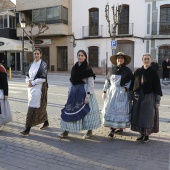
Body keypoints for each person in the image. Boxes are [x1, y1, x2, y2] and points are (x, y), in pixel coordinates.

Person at [58, 50, 101, 139]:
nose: (80, 57)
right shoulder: (74, 68)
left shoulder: (88, 69)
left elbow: (91, 83)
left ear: (85, 57)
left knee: (88, 112)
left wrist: (88, 96)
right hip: (74, 92)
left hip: (84, 91)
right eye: (79, 55)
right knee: (70, 110)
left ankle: (89, 131)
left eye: (82, 55)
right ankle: (66, 130)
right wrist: (69, 92)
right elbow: (71, 80)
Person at [130, 53, 162, 143]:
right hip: (138, 97)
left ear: (150, 60)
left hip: (149, 96)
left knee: (147, 116)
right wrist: (131, 97)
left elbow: (157, 88)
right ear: (142, 60)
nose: (146, 60)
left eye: (148, 59)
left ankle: (146, 135)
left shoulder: (153, 72)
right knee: (138, 115)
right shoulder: (138, 71)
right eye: (145, 59)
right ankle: (141, 134)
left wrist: (157, 101)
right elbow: (133, 84)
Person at [102, 52, 133, 138]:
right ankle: (112, 129)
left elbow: (130, 82)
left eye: (121, 58)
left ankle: (119, 128)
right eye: (118, 58)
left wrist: (126, 88)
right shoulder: (111, 70)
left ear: (124, 60)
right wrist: (104, 91)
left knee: (120, 110)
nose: (120, 59)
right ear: (116, 60)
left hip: (122, 93)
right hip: (112, 93)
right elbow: (107, 81)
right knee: (112, 109)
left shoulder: (127, 71)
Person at [20, 48, 49, 136]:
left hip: (39, 88)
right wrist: (27, 82)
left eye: (37, 54)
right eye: (35, 53)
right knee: (40, 106)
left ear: (41, 55)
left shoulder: (43, 64)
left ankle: (27, 128)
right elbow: (27, 75)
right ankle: (46, 122)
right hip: (31, 88)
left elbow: (43, 78)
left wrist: (32, 82)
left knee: (31, 107)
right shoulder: (32, 64)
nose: (36, 55)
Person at [0, 61, 12, 131]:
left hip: (0, 91)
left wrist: (6, 94)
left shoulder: (1, 69)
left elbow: (5, 82)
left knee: (1, 110)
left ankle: (1, 123)